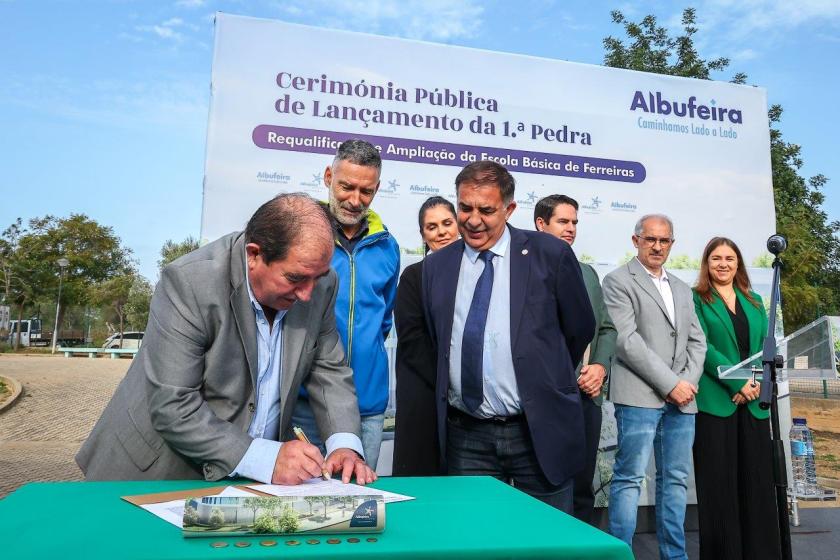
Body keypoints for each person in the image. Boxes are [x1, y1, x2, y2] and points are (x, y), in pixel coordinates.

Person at [76, 193, 376, 486]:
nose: (307, 294)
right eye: (295, 279)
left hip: (251, 478)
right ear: (254, 255)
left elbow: (329, 371)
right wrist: (266, 459)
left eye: (318, 277)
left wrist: (344, 445)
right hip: (156, 472)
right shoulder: (190, 282)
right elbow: (173, 404)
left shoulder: (321, 283)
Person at [422, 161, 595, 512]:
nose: (472, 220)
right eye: (465, 207)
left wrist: (543, 374)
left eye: (485, 210)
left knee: (547, 543)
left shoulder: (551, 255)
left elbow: (579, 330)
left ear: (510, 209)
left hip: (538, 430)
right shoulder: (436, 267)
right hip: (466, 435)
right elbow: (436, 340)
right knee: (476, 542)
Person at [289, 139, 400, 470]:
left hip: (368, 406)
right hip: (304, 405)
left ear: (377, 189)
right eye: (346, 186)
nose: (355, 200)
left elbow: (384, 321)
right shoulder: (300, 236)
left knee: (359, 507)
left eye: (365, 191)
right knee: (299, 507)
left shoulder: (388, 247)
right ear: (327, 177)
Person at [602, 214, 706, 558]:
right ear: (636, 241)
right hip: (638, 398)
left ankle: (674, 556)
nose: (658, 246)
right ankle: (621, 554)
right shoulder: (617, 281)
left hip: (682, 401)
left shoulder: (681, 287)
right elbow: (626, 341)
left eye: (665, 241)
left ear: (672, 244)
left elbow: (697, 341)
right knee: (629, 479)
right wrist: (670, 384)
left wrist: (686, 383)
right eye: (651, 239)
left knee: (675, 482)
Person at [692, 237, 781, 560]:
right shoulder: (697, 299)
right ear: (707, 263)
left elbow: (762, 349)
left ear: (738, 263)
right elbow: (702, 347)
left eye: (730, 258)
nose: (723, 264)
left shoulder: (756, 301)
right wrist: (737, 383)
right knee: (719, 487)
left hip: (754, 403)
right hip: (717, 404)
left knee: (756, 485)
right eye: (716, 258)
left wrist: (752, 384)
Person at [534, 194, 616, 525]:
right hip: (544, 400)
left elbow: (607, 329)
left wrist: (599, 366)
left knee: (583, 487)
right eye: (563, 222)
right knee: (544, 489)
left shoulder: (587, 274)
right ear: (541, 224)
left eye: (574, 222)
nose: (571, 229)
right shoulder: (522, 271)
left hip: (586, 397)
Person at [392, 196, 458, 476]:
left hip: (467, 406)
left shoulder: (479, 273)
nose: (441, 231)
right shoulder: (413, 276)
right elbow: (413, 340)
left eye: (447, 223)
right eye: (432, 227)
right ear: (423, 236)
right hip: (425, 394)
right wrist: (451, 382)